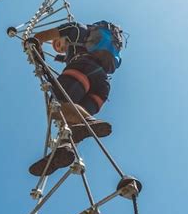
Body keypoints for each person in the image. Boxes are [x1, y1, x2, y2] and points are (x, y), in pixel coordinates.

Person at [26, 21, 123, 176]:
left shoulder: (77, 29)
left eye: (58, 43)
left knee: (57, 107)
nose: (59, 48)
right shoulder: (84, 46)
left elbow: (39, 38)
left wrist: (30, 43)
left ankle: (90, 122)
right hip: (102, 86)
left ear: (63, 37)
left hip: (84, 68)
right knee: (72, 126)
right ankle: (65, 148)